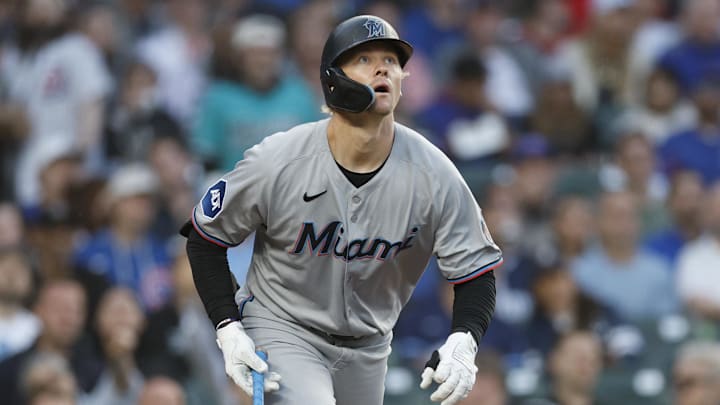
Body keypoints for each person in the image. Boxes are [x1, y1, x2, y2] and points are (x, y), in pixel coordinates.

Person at [182, 15, 503, 405]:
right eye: (364, 60)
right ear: (334, 79)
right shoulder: (279, 159)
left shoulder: (434, 173)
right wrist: (228, 325)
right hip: (284, 326)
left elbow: (476, 271)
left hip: (369, 346)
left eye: (391, 59)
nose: (383, 67)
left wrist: (464, 338)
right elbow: (205, 239)